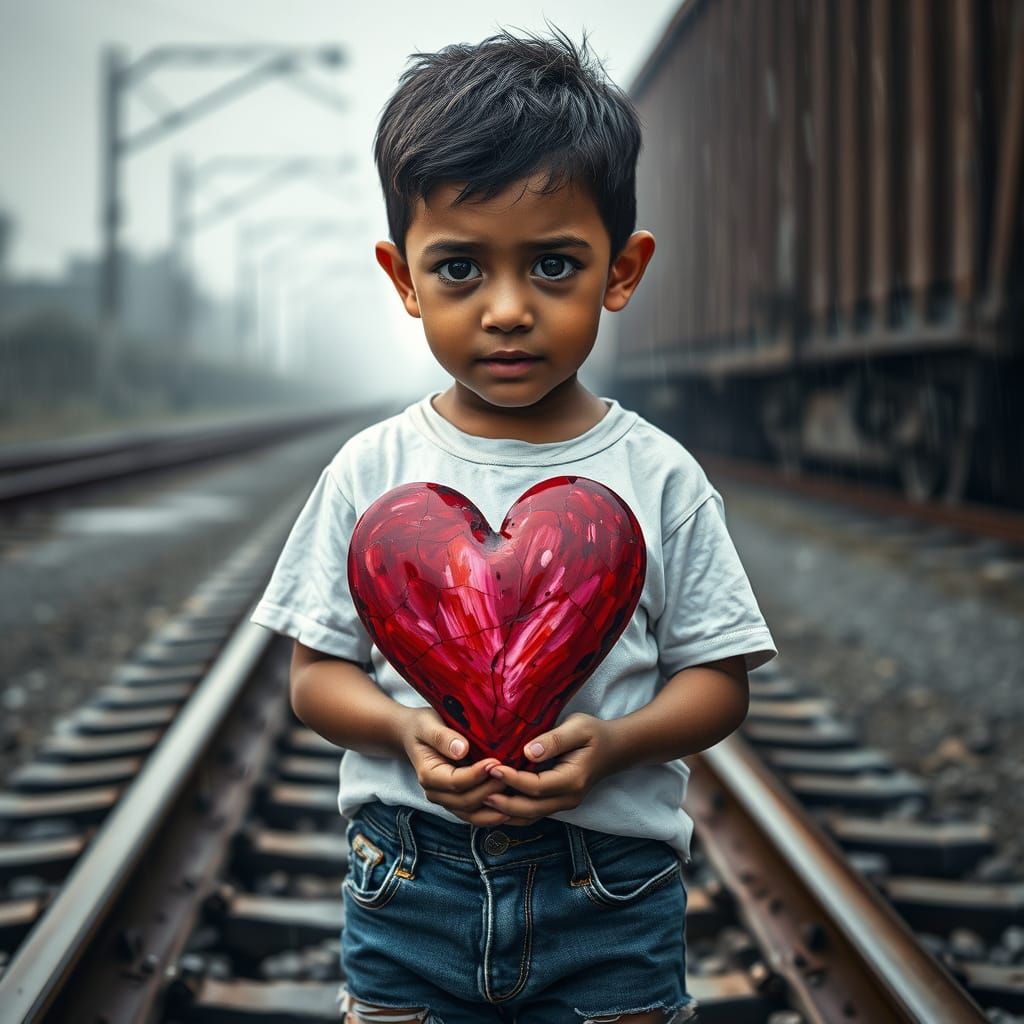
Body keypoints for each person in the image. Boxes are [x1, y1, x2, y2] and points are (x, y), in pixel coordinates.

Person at [251, 28, 775, 1024]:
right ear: (401, 277)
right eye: (457, 270)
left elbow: (717, 681)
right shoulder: (370, 471)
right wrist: (405, 729)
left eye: (550, 266)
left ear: (620, 272)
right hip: (410, 885)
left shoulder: (657, 476)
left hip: (609, 893)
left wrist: (612, 745)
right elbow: (315, 678)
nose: (505, 310)